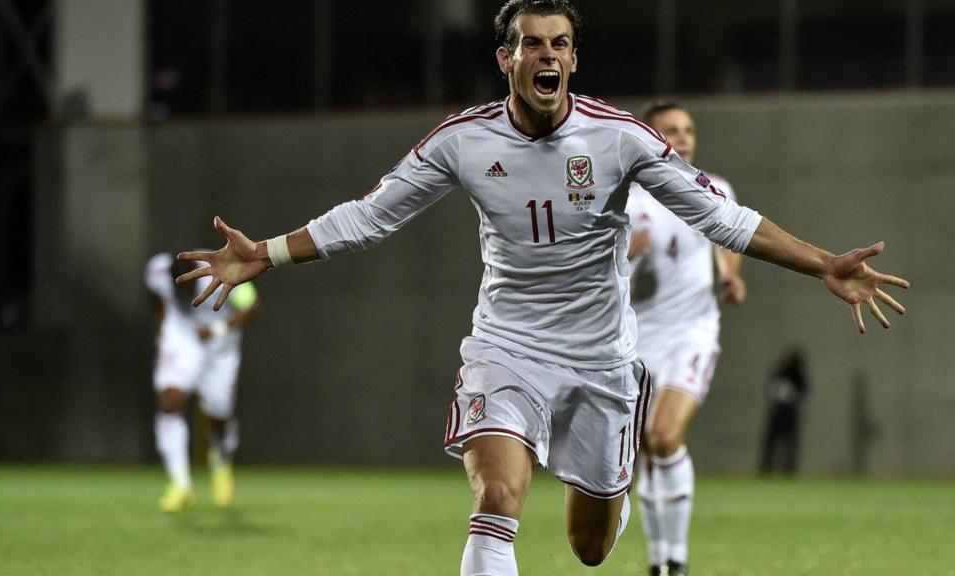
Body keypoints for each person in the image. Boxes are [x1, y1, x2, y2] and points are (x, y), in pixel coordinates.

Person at [175, 1, 908, 572]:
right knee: (495, 501)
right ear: (507, 58)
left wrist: (823, 264)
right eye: (532, 43)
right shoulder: (462, 140)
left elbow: (721, 215)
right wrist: (265, 254)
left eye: (558, 43)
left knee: (589, 548)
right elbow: (369, 217)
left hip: (601, 361)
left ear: (573, 58)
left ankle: (611, 496)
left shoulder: (619, 137)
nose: (547, 55)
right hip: (507, 348)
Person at [625, 101, 746, 576]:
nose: (684, 137)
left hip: (693, 333)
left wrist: (730, 277)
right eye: (672, 129)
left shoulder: (714, 189)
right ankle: (661, 561)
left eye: (689, 129)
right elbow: (596, 274)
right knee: (648, 451)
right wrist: (627, 254)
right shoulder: (627, 199)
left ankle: (675, 559)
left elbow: (727, 239)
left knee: (664, 435)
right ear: (650, 137)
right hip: (638, 339)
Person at [145, 251, 259, 513]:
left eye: (189, 288)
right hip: (183, 342)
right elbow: (156, 299)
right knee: (170, 401)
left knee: (218, 413)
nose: (185, 297)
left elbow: (252, 306)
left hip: (219, 346)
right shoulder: (157, 271)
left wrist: (217, 330)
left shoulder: (224, 271)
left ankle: (221, 459)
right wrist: (164, 331)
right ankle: (180, 484)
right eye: (179, 290)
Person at [759, 347, 809, 476]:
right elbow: (770, 385)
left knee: (790, 443)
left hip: (791, 413)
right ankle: (766, 468)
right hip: (777, 411)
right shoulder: (781, 371)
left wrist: (793, 396)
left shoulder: (798, 374)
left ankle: (789, 469)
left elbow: (805, 392)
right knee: (771, 441)